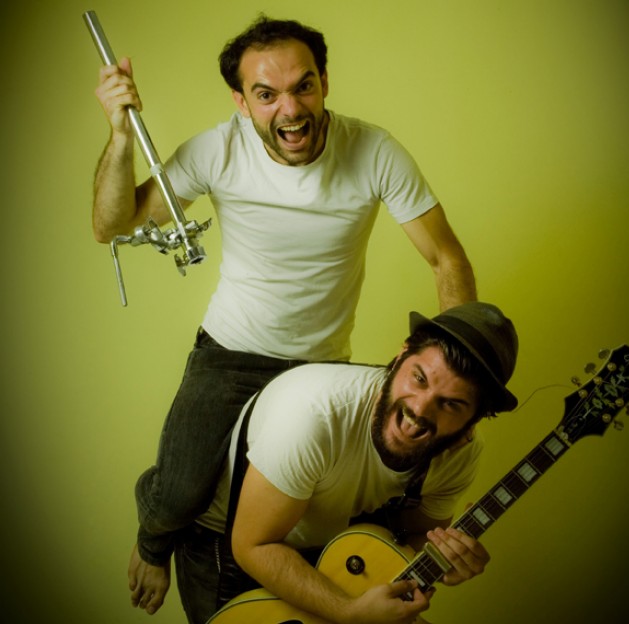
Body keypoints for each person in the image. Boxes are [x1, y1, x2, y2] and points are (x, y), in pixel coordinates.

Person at [91, 15, 478, 617]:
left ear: (325, 82)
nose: (290, 109)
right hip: (231, 351)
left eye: (304, 86)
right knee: (181, 495)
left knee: (330, 512)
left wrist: (462, 376)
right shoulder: (217, 150)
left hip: (322, 366)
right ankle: (155, 537)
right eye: (267, 94)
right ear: (241, 102)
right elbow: (111, 225)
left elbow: (446, 257)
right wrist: (120, 135)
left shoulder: (374, 151)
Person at [169, 301, 519, 624]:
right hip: (230, 548)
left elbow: (412, 535)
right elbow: (252, 546)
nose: (419, 409)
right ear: (399, 357)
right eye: (419, 378)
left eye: (451, 404)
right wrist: (347, 611)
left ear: (471, 423)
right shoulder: (312, 415)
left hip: (329, 550)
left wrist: (442, 560)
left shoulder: (460, 454)